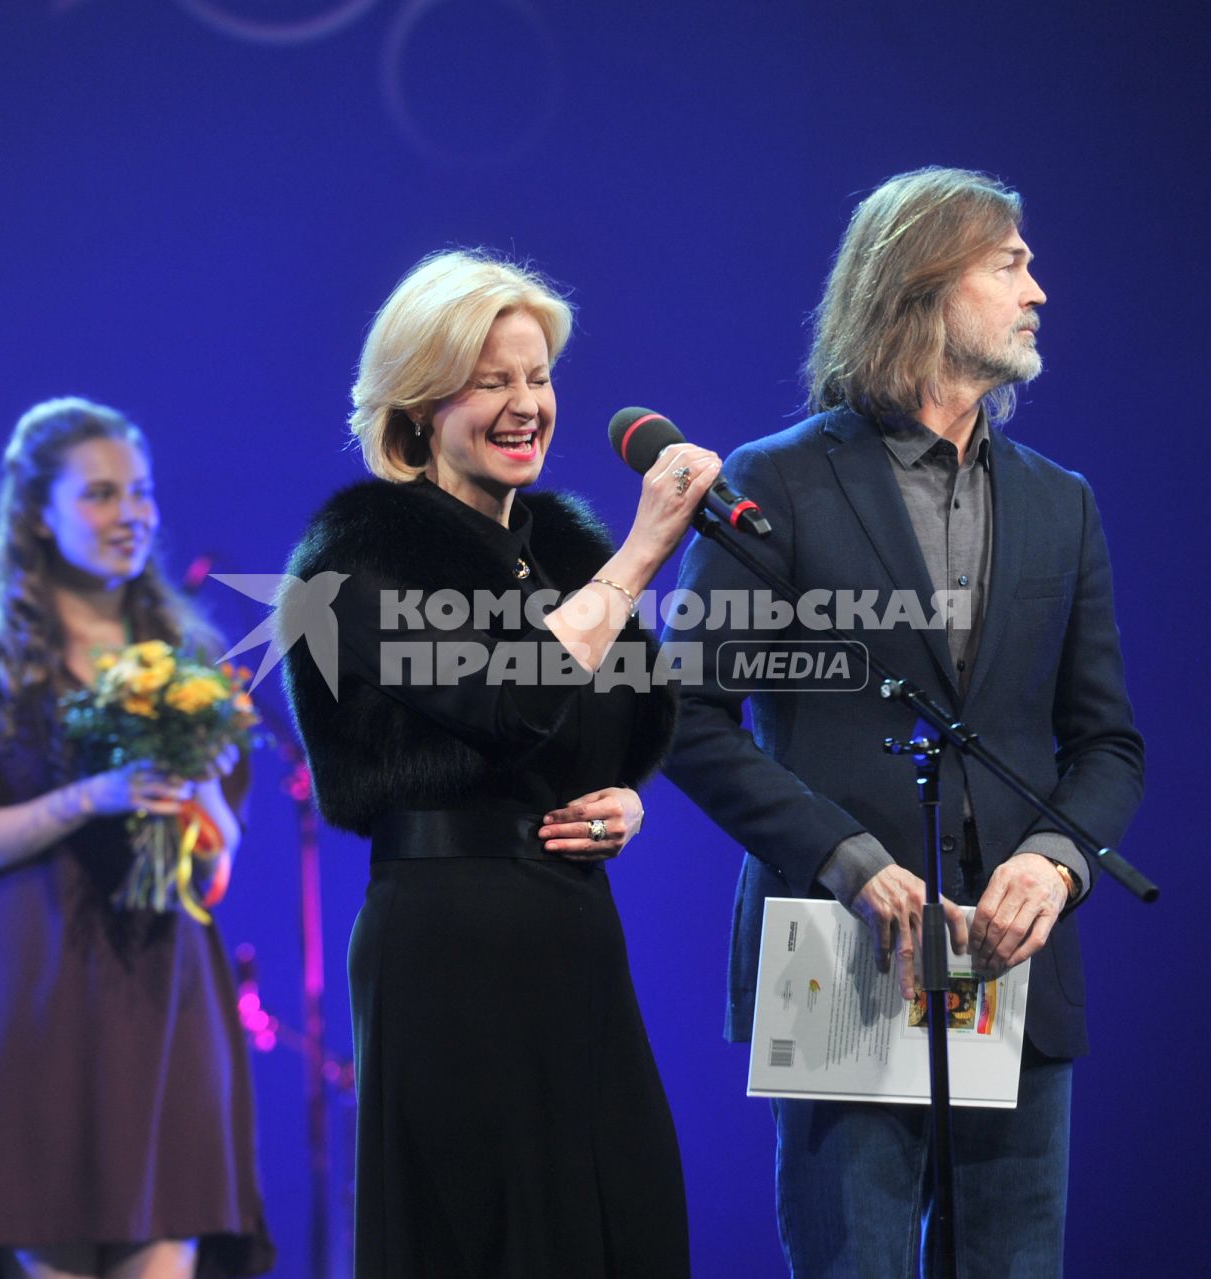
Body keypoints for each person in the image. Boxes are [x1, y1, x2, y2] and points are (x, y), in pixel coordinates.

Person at [663, 168, 1147, 1276]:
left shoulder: (1058, 499)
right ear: (924, 282)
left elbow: (1109, 742)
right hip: (846, 953)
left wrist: (1059, 859)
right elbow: (686, 713)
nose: (1040, 289)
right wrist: (844, 856)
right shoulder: (776, 482)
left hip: (1013, 965)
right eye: (1010, 262)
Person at [278, 249, 720, 1277]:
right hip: (449, 940)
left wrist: (626, 803)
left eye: (538, 377)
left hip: (571, 928)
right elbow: (506, 700)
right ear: (421, 405)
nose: (526, 405)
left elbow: (632, 712)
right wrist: (640, 556)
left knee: (622, 1221)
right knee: (486, 1236)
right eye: (492, 382)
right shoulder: (357, 556)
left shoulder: (558, 545)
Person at [0, 397, 275, 1279]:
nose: (133, 515)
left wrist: (198, 802)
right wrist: (89, 798)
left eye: (143, 493)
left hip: (166, 985)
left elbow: (222, 851)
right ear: (39, 511)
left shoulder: (192, 657)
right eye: (102, 494)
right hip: (37, 992)